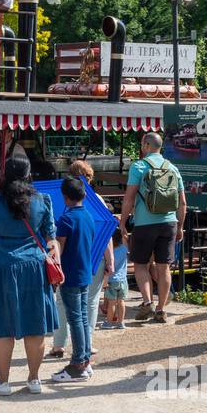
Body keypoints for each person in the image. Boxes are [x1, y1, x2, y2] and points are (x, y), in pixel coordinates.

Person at [0, 154, 59, 394]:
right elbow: (51, 239)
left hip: (0, 267)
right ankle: (33, 380)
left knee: (2, 327)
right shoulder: (43, 200)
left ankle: (3, 381)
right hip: (34, 267)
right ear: (29, 174)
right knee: (35, 325)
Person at [120, 132, 187, 324]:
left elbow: (130, 197)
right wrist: (180, 226)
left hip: (144, 223)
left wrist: (123, 222)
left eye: (142, 144)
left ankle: (147, 301)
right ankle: (161, 309)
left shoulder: (139, 166)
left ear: (146, 145)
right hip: (169, 223)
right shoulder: (173, 168)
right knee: (164, 267)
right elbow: (182, 203)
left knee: (141, 264)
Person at [50, 159, 112, 358]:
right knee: (90, 303)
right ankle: (88, 343)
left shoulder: (61, 204)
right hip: (93, 258)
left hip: (69, 261)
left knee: (61, 302)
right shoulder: (97, 202)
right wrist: (110, 261)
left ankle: (59, 344)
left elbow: (59, 240)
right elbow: (107, 234)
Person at [52, 176, 95, 382]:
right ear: (84, 195)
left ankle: (77, 363)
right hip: (85, 272)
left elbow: (59, 247)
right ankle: (85, 360)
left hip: (70, 274)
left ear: (65, 198)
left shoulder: (66, 219)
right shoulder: (88, 216)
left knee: (75, 318)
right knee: (83, 318)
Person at [102, 225, 129, 330]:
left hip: (112, 280)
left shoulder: (109, 253)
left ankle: (109, 323)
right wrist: (122, 227)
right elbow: (126, 237)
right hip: (123, 280)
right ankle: (121, 322)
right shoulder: (124, 249)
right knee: (121, 301)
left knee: (112, 303)